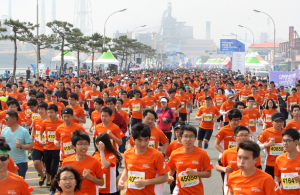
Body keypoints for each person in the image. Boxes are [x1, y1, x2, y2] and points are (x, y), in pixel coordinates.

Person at [118, 123, 169, 195]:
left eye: (146, 140)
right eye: (139, 140)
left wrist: (146, 182)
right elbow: (127, 169)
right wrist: (121, 180)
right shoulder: (127, 153)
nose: (143, 144)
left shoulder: (157, 155)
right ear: (133, 140)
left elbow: (165, 177)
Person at [167, 124, 213, 195]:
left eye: (191, 136)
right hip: (179, 192)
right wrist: (169, 176)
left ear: (195, 138)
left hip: (197, 192)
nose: (188, 139)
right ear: (180, 138)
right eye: (185, 136)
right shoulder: (175, 154)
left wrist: (195, 173)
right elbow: (171, 169)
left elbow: (208, 173)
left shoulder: (202, 154)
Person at [216, 126, 262, 195]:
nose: (244, 137)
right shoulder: (227, 152)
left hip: (249, 186)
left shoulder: (254, 153)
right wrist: (224, 168)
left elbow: (259, 170)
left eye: (246, 135)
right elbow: (217, 166)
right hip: (232, 186)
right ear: (235, 138)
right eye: (241, 135)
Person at [62, 130, 104, 195]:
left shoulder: (95, 161)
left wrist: (90, 177)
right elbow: (62, 181)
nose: (83, 147)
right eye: (80, 144)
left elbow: (102, 183)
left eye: (86, 144)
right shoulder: (66, 162)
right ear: (73, 146)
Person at [39, 104, 64, 194]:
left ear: (57, 113)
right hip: (47, 148)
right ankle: (55, 179)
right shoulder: (45, 122)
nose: (49, 114)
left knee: (53, 169)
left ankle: (53, 189)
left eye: (51, 112)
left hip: (57, 149)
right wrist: (40, 141)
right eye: (48, 112)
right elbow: (40, 134)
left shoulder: (61, 122)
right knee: (48, 170)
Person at [2, 110, 33, 178]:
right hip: (7, 162)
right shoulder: (4, 131)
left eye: (7, 119)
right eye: (5, 119)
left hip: (20, 162)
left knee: (18, 185)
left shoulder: (24, 131)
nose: (5, 120)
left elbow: (30, 146)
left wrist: (21, 146)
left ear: (14, 119)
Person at [257, 112, 285, 178]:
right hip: (270, 164)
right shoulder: (266, 132)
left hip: (284, 163)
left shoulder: (286, 132)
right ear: (272, 122)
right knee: (269, 185)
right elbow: (257, 147)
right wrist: (267, 144)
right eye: (277, 121)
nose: (279, 123)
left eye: (281, 121)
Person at [274, 128, 300, 194]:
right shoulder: (279, 159)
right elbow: (277, 176)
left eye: (288, 141)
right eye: (283, 140)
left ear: (296, 142)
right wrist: (276, 183)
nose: (285, 143)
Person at [31, 101, 51, 186]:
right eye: (39, 109)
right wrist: (32, 136)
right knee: (36, 163)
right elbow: (34, 128)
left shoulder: (50, 120)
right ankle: (43, 176)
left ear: (46, 110)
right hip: (36, 145)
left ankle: (49, 179)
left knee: (48, 165)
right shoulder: (36, 119)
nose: (40, 111)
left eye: (42, 109)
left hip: (47, 146)